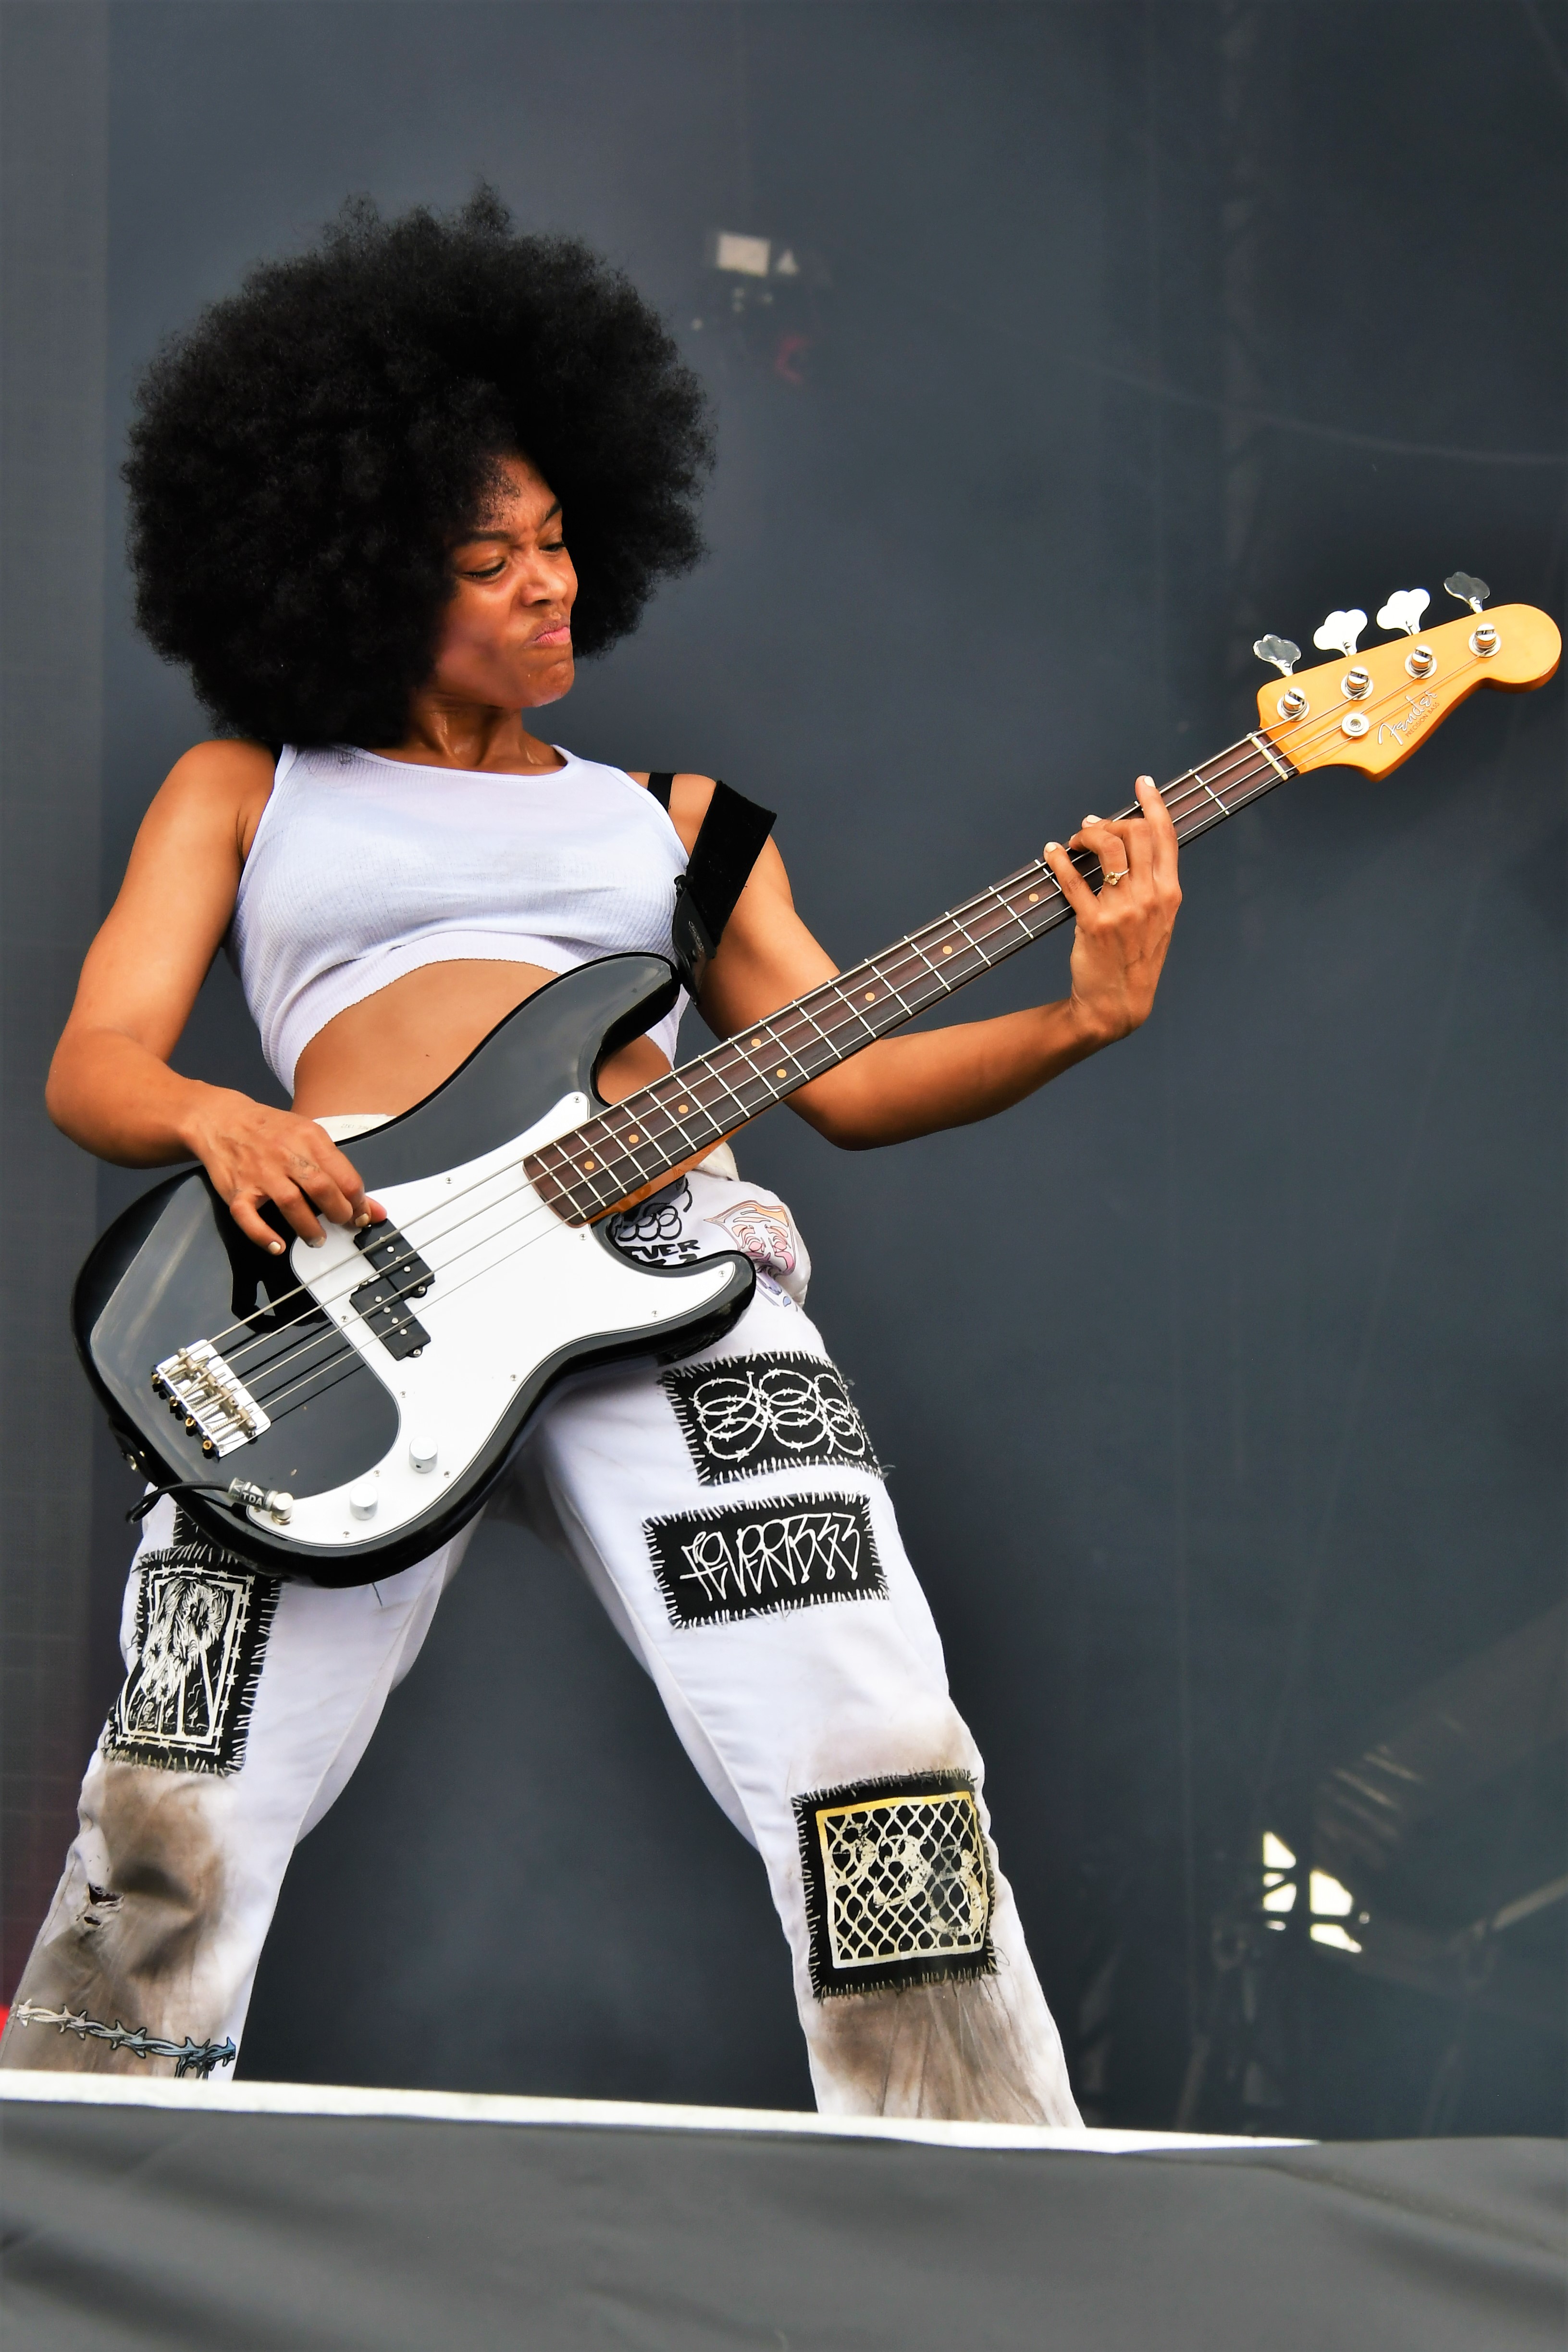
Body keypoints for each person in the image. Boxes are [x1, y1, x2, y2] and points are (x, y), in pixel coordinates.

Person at [0, 193, 1180, 2117]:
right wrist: (225, 1116)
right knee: (178, 1788)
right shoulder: (249, 789)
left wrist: (1082, 1017)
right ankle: (65, 2190)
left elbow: (851, 1082)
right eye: (491, 561)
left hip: (674, 1274)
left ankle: (986, 2196)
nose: (550, 587)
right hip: (339, 1291)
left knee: (873, 1742)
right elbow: (94, 1062)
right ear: (361, 572)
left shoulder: (679, 824)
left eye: (559, 542)